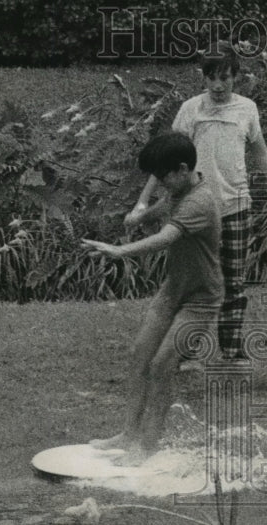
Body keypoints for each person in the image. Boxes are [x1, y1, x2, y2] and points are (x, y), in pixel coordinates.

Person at [125, 42, 267, 364]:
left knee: (233, 283)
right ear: (203, 77)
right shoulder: (191, 109)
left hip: (235, 209)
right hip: (193, 211)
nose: (217, 85)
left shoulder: (247, 110)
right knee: (189, 283)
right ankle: (183, 351)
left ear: (236, 77)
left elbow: (262, 154)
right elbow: (166, 160)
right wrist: (141, 205)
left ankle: (232, 350)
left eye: (225, 78)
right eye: (211, 77)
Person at [83, 131, 222, 465]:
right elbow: (164, 206)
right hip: (172, 291)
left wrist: (119, 251)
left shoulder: (200, 201)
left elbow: (165, 238)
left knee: (162, 366)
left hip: (201, 299)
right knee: (140, 355)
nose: (160, 184)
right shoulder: (180, 189)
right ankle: (129, 433)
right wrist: (141, 216)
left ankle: (146, 447)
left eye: (164, 177)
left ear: (183, 169)